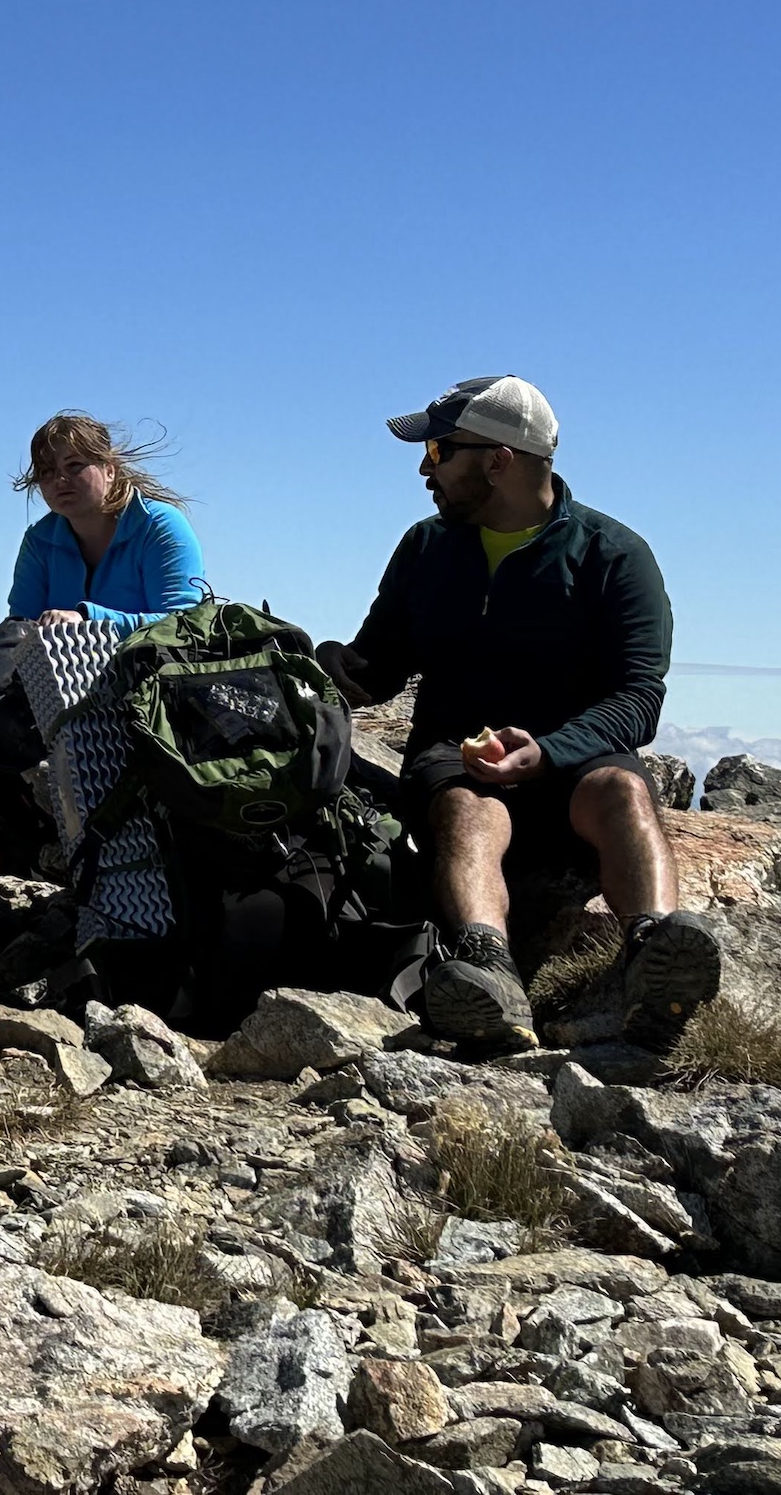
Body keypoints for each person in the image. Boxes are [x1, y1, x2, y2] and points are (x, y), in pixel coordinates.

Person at [316, 375, 710, 1056]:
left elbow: (639, 695)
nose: (425, 469)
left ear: (499, 460)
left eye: (439, 452)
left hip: (577, 759)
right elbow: (378, 665)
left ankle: (655, 959)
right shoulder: (426, 548)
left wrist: (550, 751)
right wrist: (324, 668)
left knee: (622, 790)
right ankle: (489, 972)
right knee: (467, 806)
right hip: (458, 758)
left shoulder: (613, 554)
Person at [0, 413, 207, 897]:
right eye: (47, 472)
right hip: (57, 681)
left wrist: (90, 618)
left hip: (138, 686)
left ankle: (11, 830)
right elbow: (19, 628)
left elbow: (186, 623)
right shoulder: (42, 540)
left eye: (74, 466)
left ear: (109, 468)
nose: (59, 481)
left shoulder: (159, 526)